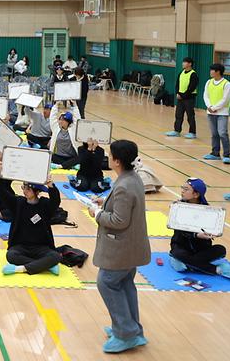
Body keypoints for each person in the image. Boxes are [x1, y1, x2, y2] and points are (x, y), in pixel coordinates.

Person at [89, 139, 150, 354]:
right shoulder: (131, 178)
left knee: (106, 282)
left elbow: (118, 221)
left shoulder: (123, 185)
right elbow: (123, 206)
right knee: (124, 285)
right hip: (133, 246)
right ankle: (132, 329)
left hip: (122, 249)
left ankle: (126, 333)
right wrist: (103, 203)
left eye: (109, 155)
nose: (107, 158)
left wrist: (97, 213)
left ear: (117, 160)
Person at [0, 175, 62, 276]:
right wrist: (0, 177)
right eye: (24, 187)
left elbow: (56, 201)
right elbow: (2, 193)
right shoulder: (18, 203)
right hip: (21, 246)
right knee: (11, 255)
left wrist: (51, 186)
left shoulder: (45, 205)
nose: (24, 191)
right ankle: (47, 265)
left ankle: (20, 269)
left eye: (28, 189)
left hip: (41, 247)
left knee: (56, 256)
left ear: (36, 192)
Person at [168, 178, 230, 278]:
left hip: (201, 248)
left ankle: (189, 265)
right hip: (181, 246)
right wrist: (196, 235)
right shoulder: (178, 207)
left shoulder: (208, 210)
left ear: (196, 194)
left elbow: (211, 229)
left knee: (221, 249)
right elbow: (181, 232)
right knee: (179, 255)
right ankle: (216, 269)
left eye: (186, 189)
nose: (182, 191)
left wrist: (212, 233)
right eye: (182, 188)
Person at [203, 63, 230, 164]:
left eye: (212, 70)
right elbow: (206, 96)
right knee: (214, 134)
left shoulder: (226, 84)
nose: (210, 72)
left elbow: (225, 99)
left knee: (222, 133)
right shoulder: (209, 82)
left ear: (218, 71)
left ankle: (226, 155)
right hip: (210, 112)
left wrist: (215, 108)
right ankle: (215, 153)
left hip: (222, 113)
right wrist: (209, 107)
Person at [166, 57, 198, 139]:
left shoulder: (193, 74)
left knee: (190, 116)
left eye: (185, 62)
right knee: (178, 115)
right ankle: (176, 131)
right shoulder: (181, 73)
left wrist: (183, 95)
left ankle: (192, 132)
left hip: (189, 98)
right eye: (183, 62)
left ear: (190, 64)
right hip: (180, 98)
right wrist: (177, 93)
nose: (183, 63)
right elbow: (177, 84)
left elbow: (192, 87)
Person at [49, 102, 82, 169]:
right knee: (49, 155)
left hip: (70, 157)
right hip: (58, 156)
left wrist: (75, 105)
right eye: (60, 120)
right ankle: (69, 166)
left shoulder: (73, 130)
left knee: (81, 157)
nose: (60, 122)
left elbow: (77, 119)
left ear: (68, 122)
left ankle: (61, 166)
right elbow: (52, 118)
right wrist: (56, 105)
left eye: (63, 120)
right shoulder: (56, 128)